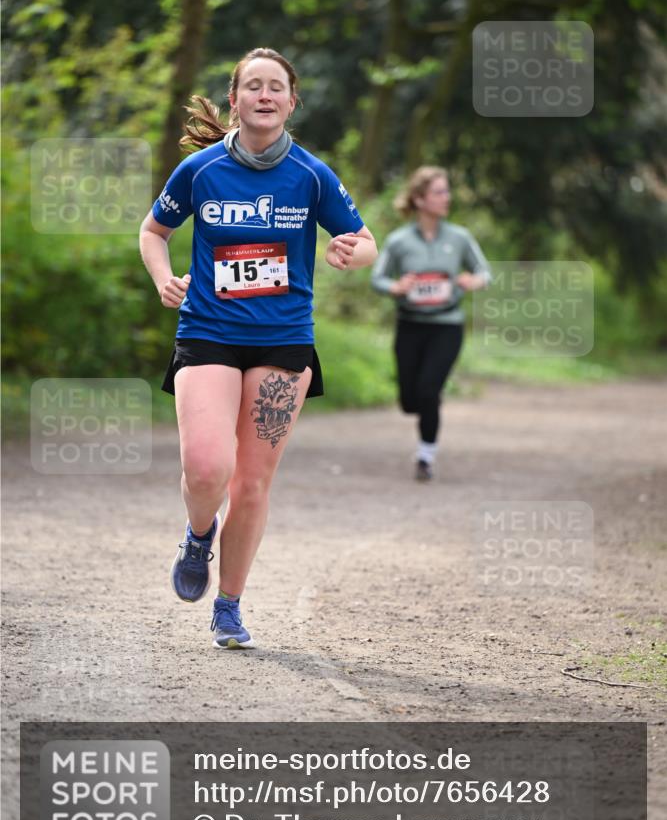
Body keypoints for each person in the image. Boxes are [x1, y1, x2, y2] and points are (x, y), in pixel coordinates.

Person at [139, 48, 377, 648]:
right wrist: (163, 278)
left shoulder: (311, 175)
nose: (265, 95)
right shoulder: (200, 170)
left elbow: (366, 240)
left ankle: (229, 605)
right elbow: (154, 230)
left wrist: (351, 251)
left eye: (276, 87)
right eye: (253, 86)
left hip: (283, 342)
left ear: (292, 102)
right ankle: (199, 535)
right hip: (208, 332)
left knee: (250, 484)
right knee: (206, 469)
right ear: (235, 100)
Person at [371, 166, 490, 481]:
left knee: (429, 390)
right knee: (410, 400)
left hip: (447, 326)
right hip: (410, 325)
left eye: (447, 191)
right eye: (439, 192)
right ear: (420, 199)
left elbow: (485, 272)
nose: (446, 197)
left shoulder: (460, 238)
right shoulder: (398, 241)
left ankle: (425, 457)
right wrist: (396, 287)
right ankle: (423, 408)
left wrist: (473, 281)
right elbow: (378, 278)